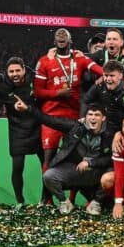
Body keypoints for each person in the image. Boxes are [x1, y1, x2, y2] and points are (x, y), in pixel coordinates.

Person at [14, 99, 114, 215]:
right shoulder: (75, 126)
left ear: (103, 118)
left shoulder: (110, 133)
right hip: (76, 171)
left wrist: (90, 163)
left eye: (97, 115)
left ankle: (96, 203)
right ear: (85, 116)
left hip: (97, 173)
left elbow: (111, 159)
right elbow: (49, 120)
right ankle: (65, 202)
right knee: (49, 176)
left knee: (112, 174)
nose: (93, 118)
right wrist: (28, 109)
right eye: (90, 114)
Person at [34, 28, 104, 189]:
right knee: (48, 158)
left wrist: (102, 77)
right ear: (54, 42)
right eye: (57, 36)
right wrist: (58, 93)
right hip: (51, 116)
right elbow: (38, 92)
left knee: (77, 157)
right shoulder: (45, 61)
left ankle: (72, 197)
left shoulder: (80, 58)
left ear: (70, 40)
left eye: (64, 35)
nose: (60, 36)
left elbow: (100, 70)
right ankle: (47, 199)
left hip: (74, 116)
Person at [0, 57, 45, 206]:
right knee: (17, 167)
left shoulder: (35, 79)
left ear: (24, 69)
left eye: (18, 70)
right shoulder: (2, 86)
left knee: (46, 164)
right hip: (17, 130)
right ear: (6, 73)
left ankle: (45, 199)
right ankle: (20, 201)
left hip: (37, 127)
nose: (15, 74)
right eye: (11, 71)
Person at [81, 60, 124, 130]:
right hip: (105, 128)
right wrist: (83, 118)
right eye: (106, 75)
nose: (108, 79)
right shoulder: (99, 85)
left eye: (112, 76)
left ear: (120, 76)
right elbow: (85, 101)